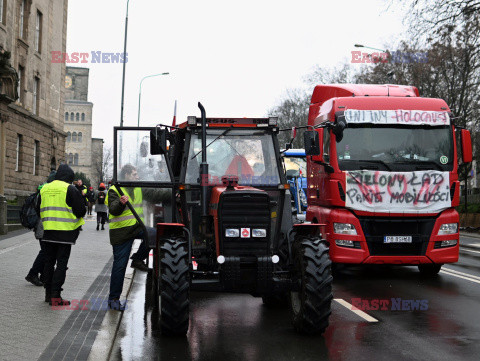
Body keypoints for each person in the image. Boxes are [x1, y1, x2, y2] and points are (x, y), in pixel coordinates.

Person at [106, 164, 166, 310]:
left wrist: (174, 192)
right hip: (121, 233)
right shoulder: (115, 190)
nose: (137, 177)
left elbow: (155, 194)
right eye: (134, 174)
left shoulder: (138, 188)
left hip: (136, 228)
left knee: (153, 234)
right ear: (126, 175)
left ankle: (138, 259)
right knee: (119, 266)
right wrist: (120, 203)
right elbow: (113, 210)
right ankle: (113, 299)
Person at [37, 164, 86, 305]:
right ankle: (56, 296)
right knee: (61, 264)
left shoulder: (45, 188)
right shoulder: (69, 188)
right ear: (69, 177)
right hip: (65, 233)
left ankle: (47, 294)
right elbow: (80, 210)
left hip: (47, 232)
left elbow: (37, 207)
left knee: (48, 262)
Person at [25, 170, 56, 287]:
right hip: (44, 227)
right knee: (45, 252)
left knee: (46, 252)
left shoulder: (42, 189)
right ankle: (32, 274)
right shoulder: (47, 191)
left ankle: (43, 276)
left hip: (41, 226)